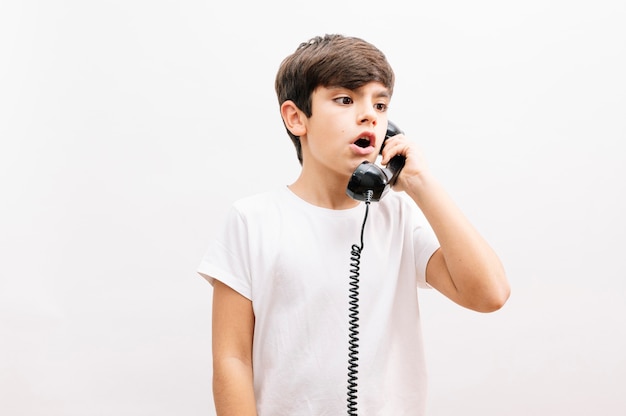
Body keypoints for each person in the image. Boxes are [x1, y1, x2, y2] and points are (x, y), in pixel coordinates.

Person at [198, 33, 510, 416]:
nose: (369, 115)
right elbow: (232, 359)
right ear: (297, 117)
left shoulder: (398, 218)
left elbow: (489, 293)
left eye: (380, 104)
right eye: (345, 100)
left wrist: (419, 183)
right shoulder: (253, 220)